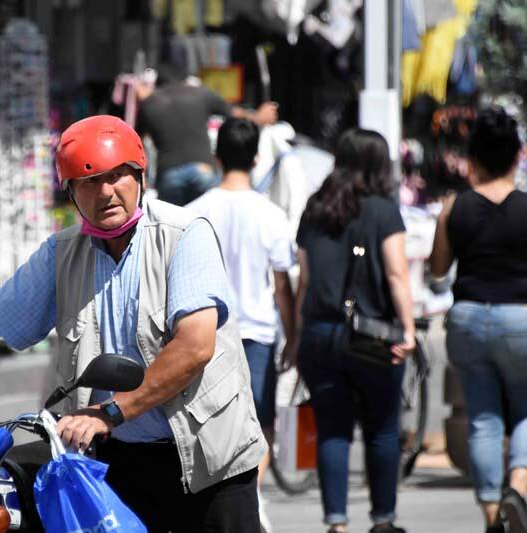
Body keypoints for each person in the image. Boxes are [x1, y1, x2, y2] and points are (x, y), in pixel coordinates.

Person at [0, 115, 266, 532]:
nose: (106, 191)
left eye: (118, 175)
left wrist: (111, 411)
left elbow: (193, 348)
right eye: (89, 181)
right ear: (71, 193)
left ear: (140, 177)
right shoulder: (63, 251)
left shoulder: (184, 234)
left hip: (206, 463)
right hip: (117, 456)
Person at [295, 129, 415, 533]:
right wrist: (409, 329)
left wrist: (296, 337)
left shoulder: (315, 208)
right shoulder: (383, 210)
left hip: (319, 333)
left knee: (333, 430)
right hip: (373, 337)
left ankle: (336, 523)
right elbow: (398, 274)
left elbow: (305, 281)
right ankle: (382, 521)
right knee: (382, 429)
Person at [186, 118, 297, 533]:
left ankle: (227, 496)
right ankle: (253, 493)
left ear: (216, 157)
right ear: (256, 158)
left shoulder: (193, 212)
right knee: (259, 421)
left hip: (205, 331)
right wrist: (293, 334)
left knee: (211, 420)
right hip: (258, 331)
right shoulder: (270, 214)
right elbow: (282, 284)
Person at [429, 107, 527, 533]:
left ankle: (492, 515)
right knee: (526, 411)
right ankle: (519, 487)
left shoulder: (455, 207)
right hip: (521, 319)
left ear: (475, 157)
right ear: (516, 156)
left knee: (484, 418)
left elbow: (437, 268)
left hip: (467, 319)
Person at [136, 63, 278, 206]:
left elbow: (136, 143)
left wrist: (141, 179)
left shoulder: (149, 103)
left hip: (169, 174)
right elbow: (234, 113)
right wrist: (258, 116)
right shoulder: (199, 93)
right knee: (210, 222)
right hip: (202, 170)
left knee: (171, 225)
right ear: (184, 79)